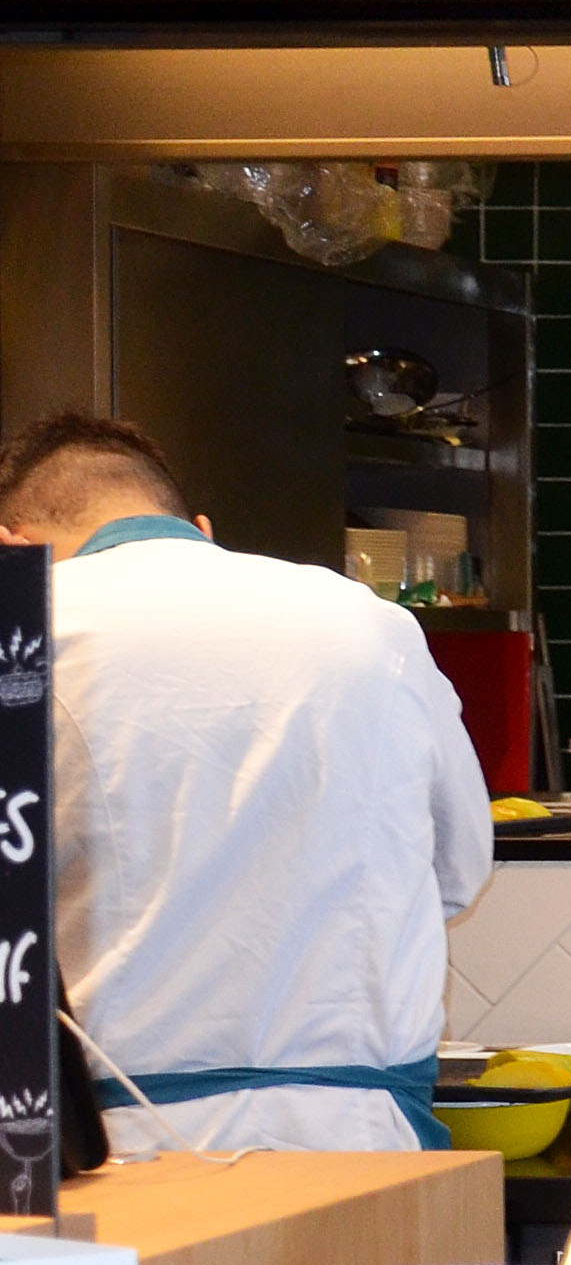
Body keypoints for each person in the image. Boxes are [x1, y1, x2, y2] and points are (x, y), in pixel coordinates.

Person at [0, 414, 492, 1154]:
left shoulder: (27, 630)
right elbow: (457, 871)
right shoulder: (369, 620)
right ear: (197, 527)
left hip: (115, 1144)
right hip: (362, 1142)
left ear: (12, 544)